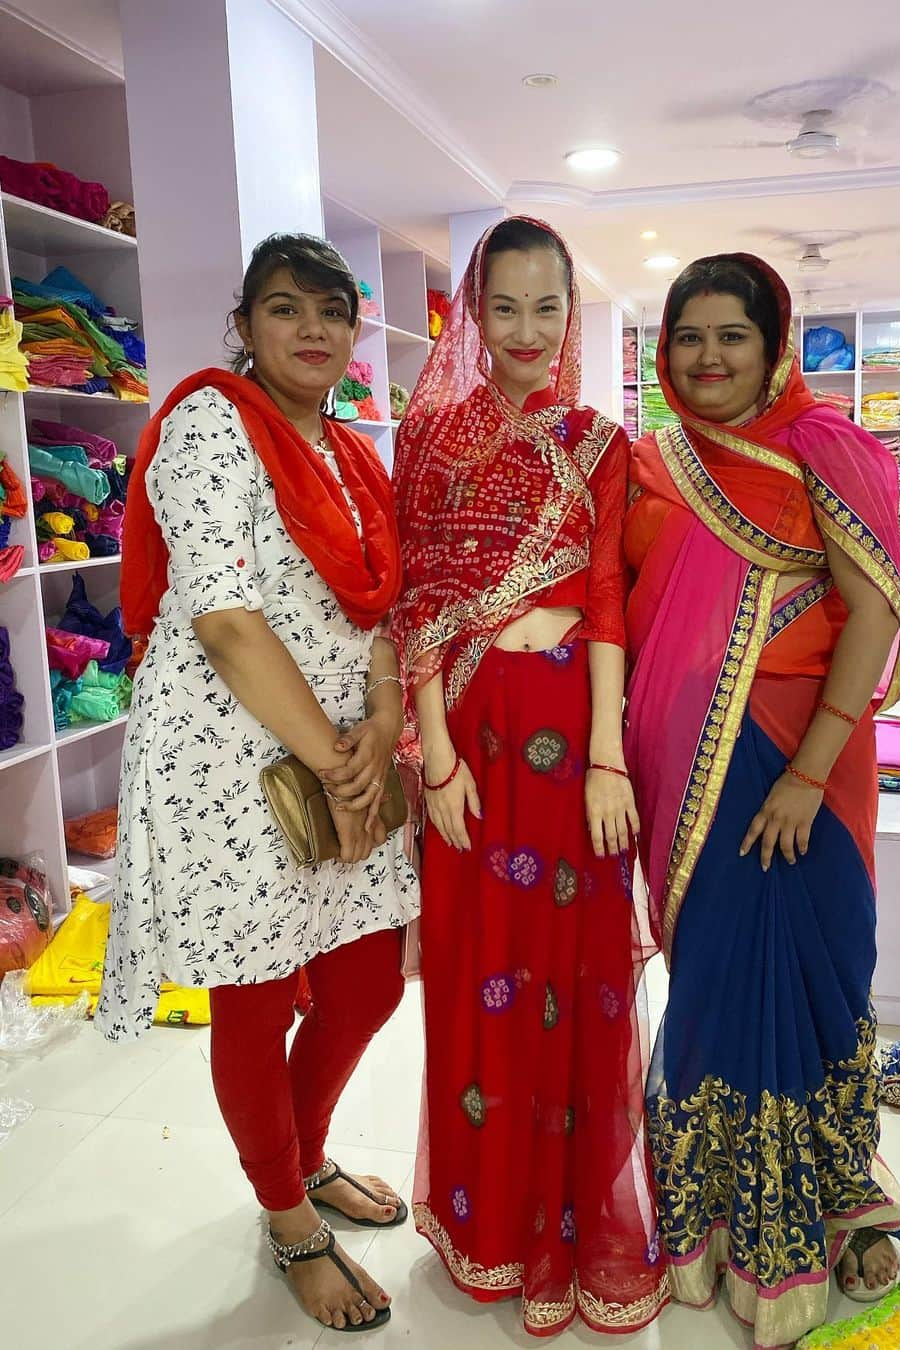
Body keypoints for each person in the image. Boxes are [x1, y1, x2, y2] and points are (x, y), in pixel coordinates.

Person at [96, 234, 419, 1334]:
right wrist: (337, 761)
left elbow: (381, 608)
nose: (314, 328)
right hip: (230, 759)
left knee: (369, 980)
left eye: (333, 309)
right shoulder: (208, 425)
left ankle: (308, 1155)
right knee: (255, 992)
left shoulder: (352, 452)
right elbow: (226, 619)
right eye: (287, 308)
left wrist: (379, 723)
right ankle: (288, 1217)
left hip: (343, 748)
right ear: (246, 323)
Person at [623, 253, 900, 1348]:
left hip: (804, 765)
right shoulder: (651, 464)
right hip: (679, 759)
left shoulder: (824, 449)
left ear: (772, 343)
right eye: (688, 335)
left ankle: (835, 1210)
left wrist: (803, 774)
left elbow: (873, 615)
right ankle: (704, 1225)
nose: (706, 357)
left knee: (822, 978)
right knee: (712, 982)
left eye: (730, 336)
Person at [390, 216, 668, 1336]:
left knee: (576, 976)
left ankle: (567, 1224)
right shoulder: (432, 438)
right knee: (475, 974)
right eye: (501, 307)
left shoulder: (600, 442)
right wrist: (437, 759)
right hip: (468, 738)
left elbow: (605, 602)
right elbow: (414, 603)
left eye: (545, 308)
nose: (523, 330)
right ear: (471, 310)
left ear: (569, 312)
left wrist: (608, 758)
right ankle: (489, 1228)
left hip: (566, 734)